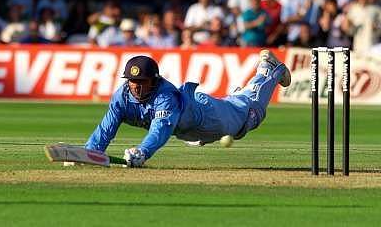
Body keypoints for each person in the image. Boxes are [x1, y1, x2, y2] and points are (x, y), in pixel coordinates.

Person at [85, 52, 291, 167]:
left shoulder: (165, 97)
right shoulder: (122, 97)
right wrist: (90, 153)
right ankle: (237, 97)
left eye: (142, 81)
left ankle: (270, 69)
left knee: (250, 116)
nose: (136, 86)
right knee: (238, 107)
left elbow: (160, 129)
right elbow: (106, 127)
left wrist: (143, 151)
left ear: (154, 81)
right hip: (190, 129)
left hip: (208, 117)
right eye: (132, 81)